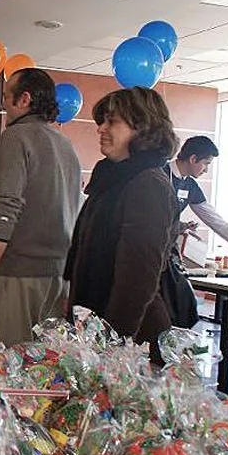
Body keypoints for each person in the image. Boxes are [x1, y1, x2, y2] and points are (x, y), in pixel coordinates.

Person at [65, 87, 179, 364]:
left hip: (130, 340)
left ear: (142, 128)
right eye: (101, 121)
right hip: (97, 327)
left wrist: (111, 346)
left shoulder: (147, 183)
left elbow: (137, 279)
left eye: (111, 121)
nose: (101, 128)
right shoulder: (111, 177)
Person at [0, 68, 81, 346]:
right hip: (57, 275)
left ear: (24, 99)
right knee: (41, 368)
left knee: (1, 365)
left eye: (7, 96)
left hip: (18, 274)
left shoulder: (16, 137)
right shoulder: (66, 144)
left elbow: (5, 208)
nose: (3, 104)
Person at [167, 136, 228, 244]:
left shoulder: (190, 186)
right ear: (193, 159)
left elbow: (214, 219)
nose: (206, 170)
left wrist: (182, 227)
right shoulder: (159, 175)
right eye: (206, 163)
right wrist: (180, 226)